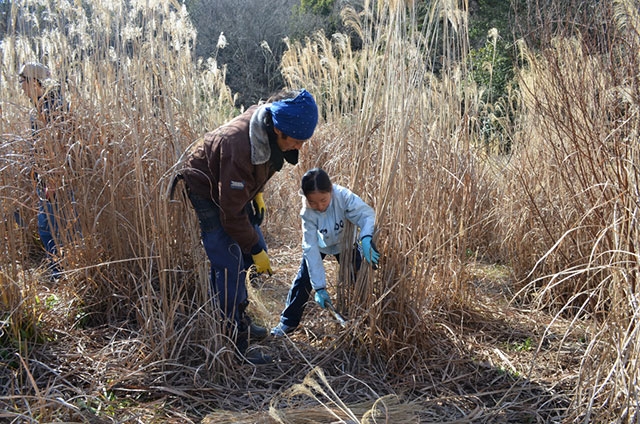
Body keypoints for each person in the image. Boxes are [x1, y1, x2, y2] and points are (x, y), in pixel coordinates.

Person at [178, 88, 318, 363]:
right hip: (205, 189)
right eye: (298, 140)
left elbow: (253, 174)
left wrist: (257, 194)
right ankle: (232, 341)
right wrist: (254, 248)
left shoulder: (270, 123)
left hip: (231, 187)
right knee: (229, 260)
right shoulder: (238, 146)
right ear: (279, 130)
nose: (300, 146)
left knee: (247, 252)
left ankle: (237, 314)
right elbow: (230, 215)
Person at [271, 168, 380, 337]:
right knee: (303, 280)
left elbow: (366, 215)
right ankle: (287, 322)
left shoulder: (343, 196)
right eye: (313, 202)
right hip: (321, 245)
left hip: (345, 242)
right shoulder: (307, 212)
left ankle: (367, 318)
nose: (320, 207)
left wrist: (365, 238)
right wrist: (320, 287)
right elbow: (310, 247)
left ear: (330, 190)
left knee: (359, 277)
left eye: (323, 200)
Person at [19, 62, 70, 280]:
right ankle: (60, 274)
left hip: (54, 182)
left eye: (22, 81)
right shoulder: (42, 106)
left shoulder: (52, 107)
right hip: (46, 180)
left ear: (34, 82)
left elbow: (62, 144)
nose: (20, 87)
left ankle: (60, 276)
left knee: (50, 229)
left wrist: (54, 180)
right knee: (51, 228)